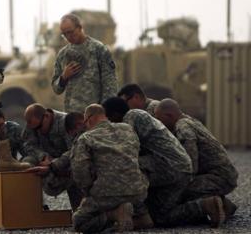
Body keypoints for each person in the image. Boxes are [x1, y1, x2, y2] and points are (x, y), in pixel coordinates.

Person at [102, 97, 226, 228]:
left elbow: (127, 150)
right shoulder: (140, 115)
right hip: (179, 167)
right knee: (161, 216)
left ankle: (140, 215)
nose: (108, 123)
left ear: (115, 115)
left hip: (169, 166)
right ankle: (207, 205)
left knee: (128, 167)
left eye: (107, 119)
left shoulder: (131, 117)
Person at [70, 104, 149, 233]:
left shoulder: (86, 138)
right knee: (129, 197)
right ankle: (141, 217)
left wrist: (89, 192)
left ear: (89, 119)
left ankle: (115, 214)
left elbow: (80, 171)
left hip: (107, 193)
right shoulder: (128, 129)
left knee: (79, 222)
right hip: (138, 191)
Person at [155, 98, 239, 219]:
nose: (158, 122)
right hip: (223, 175)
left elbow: (190, 166)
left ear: (169, 115)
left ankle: (211, 206)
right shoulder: (190, 121)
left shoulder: (183, 127)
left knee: (173, 195)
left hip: (219, 177)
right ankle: (224, 205)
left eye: (158, 118)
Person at [51, 13, 118, 113]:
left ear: (80, 28)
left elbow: (110, 85)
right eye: (64, 34)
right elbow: (56, 89)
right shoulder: (63, 54)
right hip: (72, 115)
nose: (68, 36)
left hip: (94, 114)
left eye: (70, 32)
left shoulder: (98, 49)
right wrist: (64, 77)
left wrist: (104, 111)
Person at [22, 104, 82, 211]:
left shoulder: (66, 122)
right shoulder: (34, 123)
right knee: (27, 163)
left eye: (39, 127)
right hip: (46, 160)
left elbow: (75, 150)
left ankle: (81, 208)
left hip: (65, 163)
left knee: (77, 166)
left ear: (47, 116)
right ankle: (33, 208)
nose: (38, 131)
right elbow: (28, 144)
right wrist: (43, 156)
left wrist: (53, 164)